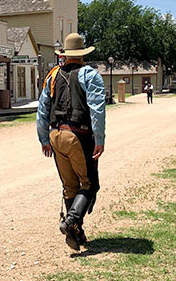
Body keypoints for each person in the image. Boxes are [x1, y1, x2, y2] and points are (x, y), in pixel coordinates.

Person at [36, 33, 106, 251]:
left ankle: (77, 234)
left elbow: (42, 110)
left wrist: (44, 140)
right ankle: (71, 221)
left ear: (65, 54)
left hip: (55, 135)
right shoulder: (90, 74)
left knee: (69, 187)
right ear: (82, 54)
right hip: (78, 135)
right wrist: (100, 139)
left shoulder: (53, 75)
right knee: (90, 184)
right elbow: (97, 109)